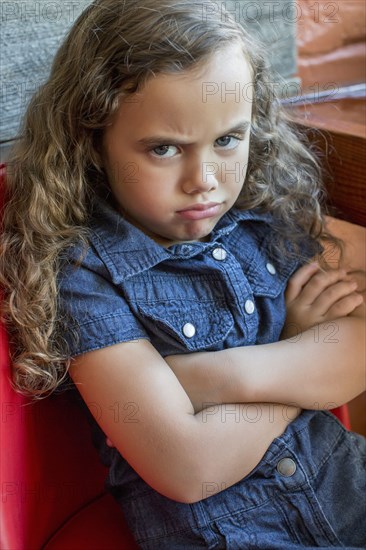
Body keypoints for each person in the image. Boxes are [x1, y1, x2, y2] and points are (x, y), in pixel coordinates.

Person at [0, 0, 365, 548]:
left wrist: (205, 380)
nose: (205, 180)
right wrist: (298, 353)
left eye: (227, 139)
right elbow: (188, 467)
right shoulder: (81, 271)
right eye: (164, 149)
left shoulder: (262, 213)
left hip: (350, 492)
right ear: (92, 141)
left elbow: (357, 351)